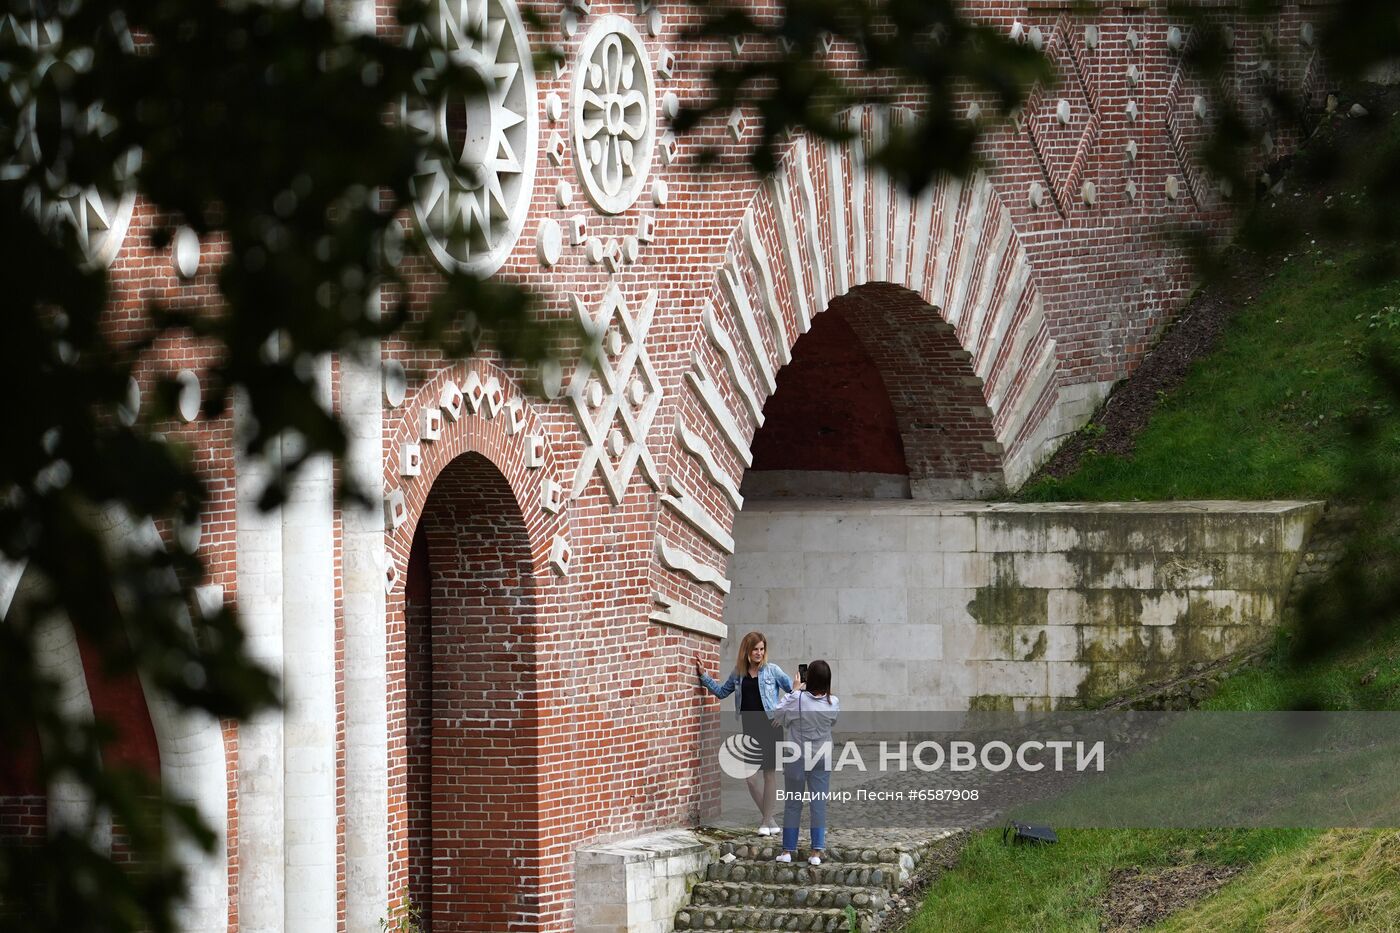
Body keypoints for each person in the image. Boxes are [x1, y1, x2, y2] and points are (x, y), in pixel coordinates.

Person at [695, 632, 793, 835]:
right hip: (750, 728)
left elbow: (794, 693)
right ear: (747, 651)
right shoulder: (738, 673)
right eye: (755, 649)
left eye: (762, 649)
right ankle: (770, 820)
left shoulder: (773, 671)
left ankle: (765, 822)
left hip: (770, 727)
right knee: (750, 778)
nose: (759, 653)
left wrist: (782, 714)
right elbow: (722, 692)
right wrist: (704, 676)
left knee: (769, 776)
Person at [769, 659, 839, 866]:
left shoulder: (797, 698)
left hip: (796, 756)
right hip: (822, 755)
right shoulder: (834, 702)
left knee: (793, 803)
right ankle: (816, 852)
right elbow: (832, 722)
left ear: (810, 678)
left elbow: (778, 713)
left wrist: (794, 690)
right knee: (818, 804)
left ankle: (787, 851)